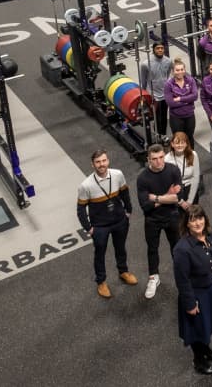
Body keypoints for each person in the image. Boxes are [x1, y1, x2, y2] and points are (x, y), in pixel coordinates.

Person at [173, 205, 212, 375]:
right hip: (198, 296)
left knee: (208, 326)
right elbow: (182, 280)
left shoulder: (209, 234)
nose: (197, 223)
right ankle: (199, 362)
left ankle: (207, 352)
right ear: (186, 224)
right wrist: (190, 304)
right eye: (193, 220)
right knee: (198, 330)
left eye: (200, 218)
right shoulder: (182, 249)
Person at [77, 149, 137, 298]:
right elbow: (81, 209)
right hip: (99, 227)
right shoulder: (86, 185)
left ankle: (123, 271)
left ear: (108, 161)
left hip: (120, 221)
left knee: (120, 248)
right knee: (100, 254)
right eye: (98, 162)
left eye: (104, 161)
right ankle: (101, 281)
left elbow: (125, 193)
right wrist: (89, 229)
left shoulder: (117, 175)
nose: (101, 164)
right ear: (93, 165)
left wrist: (128, 211)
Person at [136, 144, 184, 300]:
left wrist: (155, 197)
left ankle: (182, 275)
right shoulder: (142, 178)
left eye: (161, 157)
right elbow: (146, 206)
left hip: (172, 216)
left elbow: (177, 198)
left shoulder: (173, 170)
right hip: (152, 219)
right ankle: (153, 278)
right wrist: (167, 196)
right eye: (154, 159)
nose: (159, 162)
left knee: (177, 247)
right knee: (152, 249)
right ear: (148, 159)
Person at [139, 41, 173, 141]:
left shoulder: (168, 61)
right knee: (157, 116)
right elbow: (143, 81)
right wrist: (143, 97)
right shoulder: (145, 64)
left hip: (165, 94)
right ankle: (158, 134)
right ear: (153, 49)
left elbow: (166, 77)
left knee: (163, 116)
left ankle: (163, 135)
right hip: (154, 95)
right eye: (158, 48)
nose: (160, 50)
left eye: (162, 48)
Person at [164, 58, 198, 143]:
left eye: (182, 69)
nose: (180, 72)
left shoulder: (190, 80)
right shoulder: (168, 84)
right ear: (173, 71)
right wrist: (188, 101)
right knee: (178, 140)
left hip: (189, 115)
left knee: (189, 138)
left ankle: (191, 156)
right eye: (177, 70)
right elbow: (170, 103)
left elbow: (195, 96)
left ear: (185, 70)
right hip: (176, 117)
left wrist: (180, 99)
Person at [166, 132, 201, 206]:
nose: (180, 145)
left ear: (186, 144)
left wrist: (190, 201)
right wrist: (180, 202)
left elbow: (196, 178)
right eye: (177, 143)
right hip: (175, 191)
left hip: (191, 189)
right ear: (172, 144)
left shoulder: (193, 154)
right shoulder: (167, 159)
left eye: (182, 143)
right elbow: (167, 183)